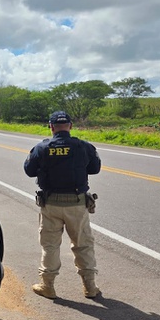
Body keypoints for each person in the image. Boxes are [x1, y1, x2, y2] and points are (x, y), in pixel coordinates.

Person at [24, 111, 102, 299]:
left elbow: (29, 170)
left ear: (51, 127)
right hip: (77, 205)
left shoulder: (42, 148)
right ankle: (90, 287)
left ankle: (48, 286)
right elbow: (95, 168)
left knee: (50, 246)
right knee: (83, 245)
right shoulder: (83, 146)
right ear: (70, 126)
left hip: (51, 205)